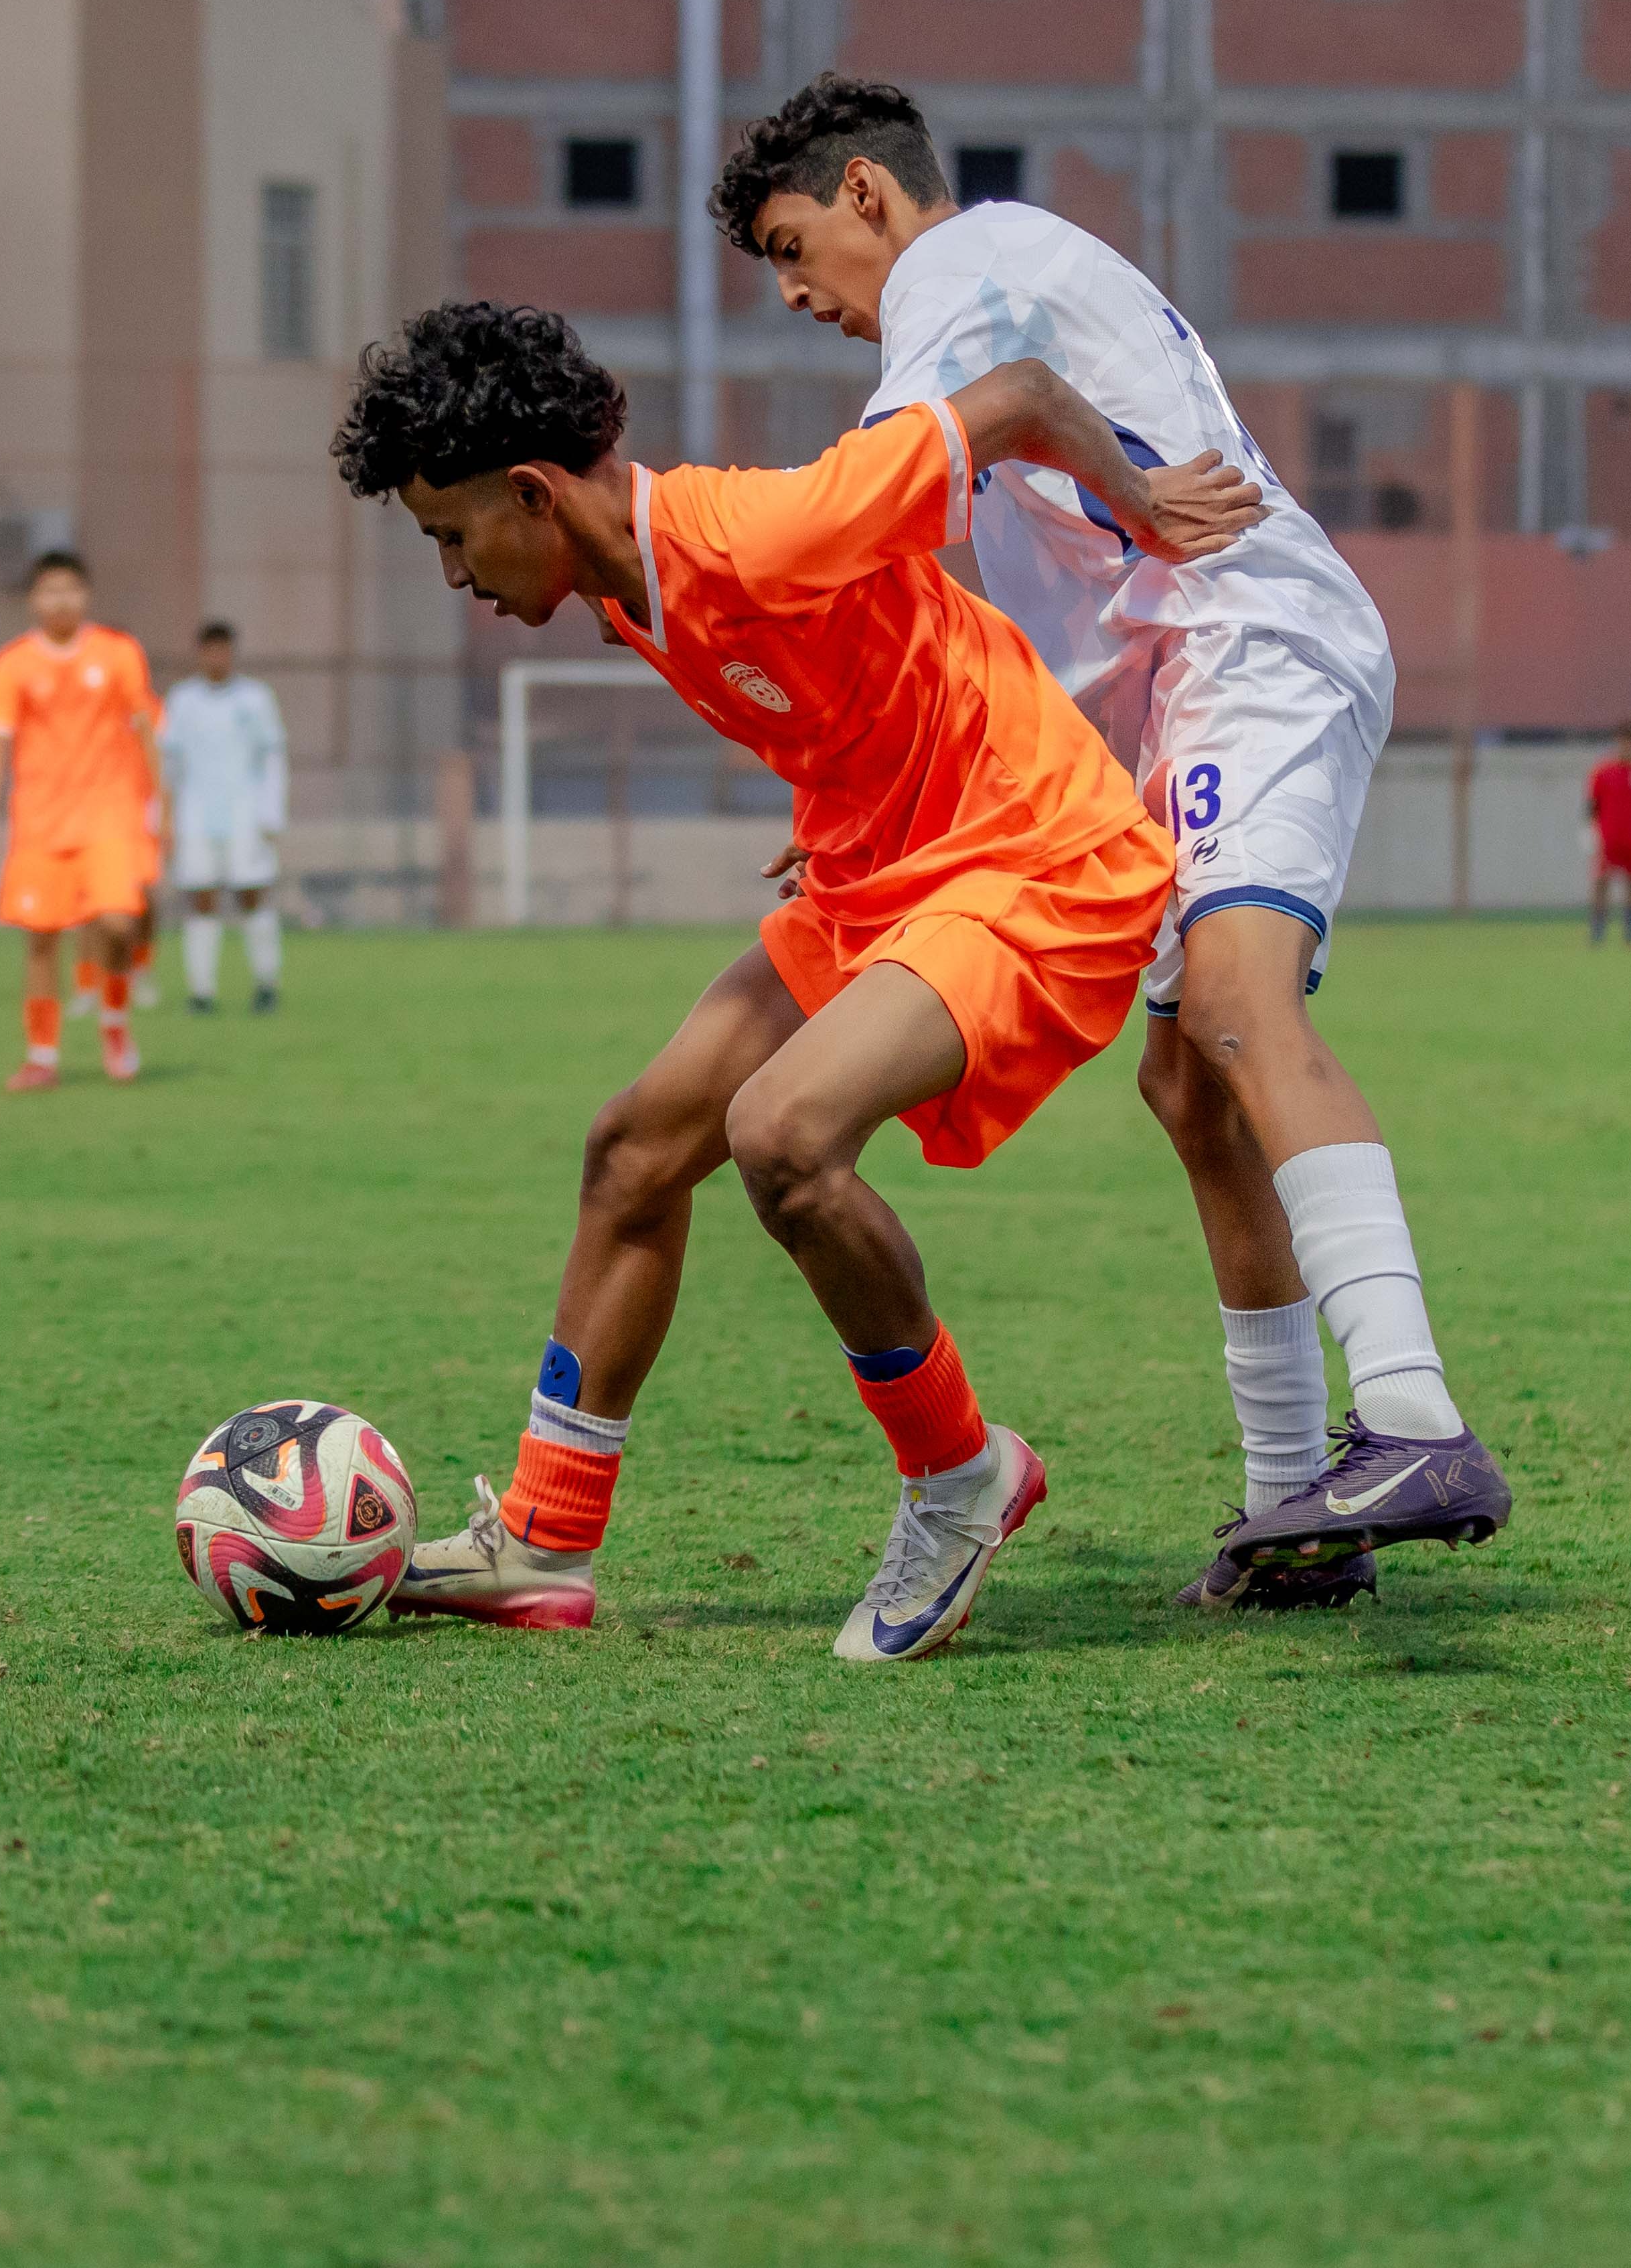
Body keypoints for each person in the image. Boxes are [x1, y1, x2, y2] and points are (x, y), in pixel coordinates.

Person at [337, 299, 1255, 1661]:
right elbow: (843, 674)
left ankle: (960, 1475)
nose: (454, 571)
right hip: (880, 870)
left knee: (783, 1133)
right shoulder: (622, 588)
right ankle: (542, 1536)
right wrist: (840, 793)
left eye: (450, 535)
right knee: (636, 1150)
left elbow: (1014, 394)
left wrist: (1144, 500)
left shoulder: (760, 527)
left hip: (1036, 858)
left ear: (533, 492)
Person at [710, 76, 1512, 1614]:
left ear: (866, 191)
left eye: (791, 247)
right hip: (1172, 691)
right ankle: (1295, 1517)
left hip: (1239, 638)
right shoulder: (993, 287)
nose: (796, 295)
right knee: (1185, 1085)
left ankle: (1413, 1420)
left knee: (1234, 1004)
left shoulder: (958, 266)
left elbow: (862, 513)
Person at [0, 551, 162, 1091]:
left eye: (70, 589)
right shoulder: (12, 665)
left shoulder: (119, 653)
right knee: (41, 939)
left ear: (87, 595)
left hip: (109, 813)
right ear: (33, 599)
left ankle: (115, 1022)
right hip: (41, 821)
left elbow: (145, 729)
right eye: (49, 590)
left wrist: (162, 806)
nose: (61, 600)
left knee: (118, 923)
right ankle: (42, 1055)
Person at [158, 619, 289, 1013]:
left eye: (223, 650)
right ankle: (202, 992)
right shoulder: (182, 700)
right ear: (200, 654)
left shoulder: (256, 698)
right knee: (201, 897)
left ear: (232, 653)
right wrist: (163, 817)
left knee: (252, 894)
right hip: (196, 814)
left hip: (245, 814)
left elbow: (272, 757)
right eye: (210, 650)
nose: (217, 657)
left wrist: (271, 813)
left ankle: (266, 984)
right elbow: (168, 763)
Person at [1586, 724, 1631, 946]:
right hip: (1608, 838)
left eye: (1630, 742)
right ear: (1617, 742)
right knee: (1602, 881)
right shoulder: (1603, 772)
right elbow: (1592, 806)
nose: (1627, 746)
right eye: (1623, 741)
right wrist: (1590, 834)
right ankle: (1598, 931)